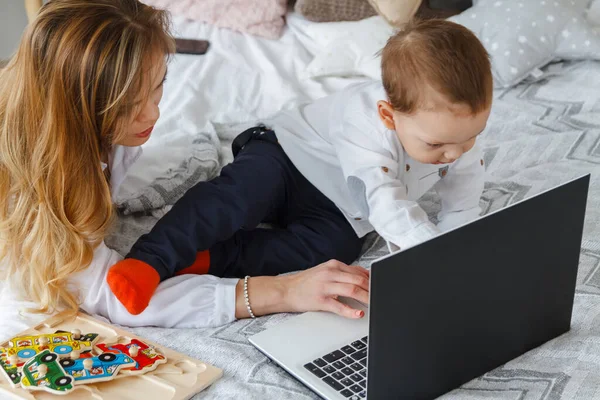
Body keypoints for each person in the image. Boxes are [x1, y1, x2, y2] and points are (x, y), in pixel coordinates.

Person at [0, 0, 370, 338]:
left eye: (158, 86)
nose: (153, 114)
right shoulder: (42, 187)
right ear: (75, 107)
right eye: (128, 104)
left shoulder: (70, 120)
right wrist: (285, 291)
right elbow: (114, 296)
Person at [108, 19, 492, 315]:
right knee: (241, 197)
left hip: (340, 206)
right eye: (437, 145)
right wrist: (436, 257)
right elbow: (385, 201)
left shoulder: (455, 140)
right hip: (289, 157)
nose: (455, 155)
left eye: (471, 137)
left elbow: (461, 207)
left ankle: (209, 258)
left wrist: (456, 250)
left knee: (333, 249)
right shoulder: (363, 123)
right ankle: (152, 258)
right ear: (389, 116)